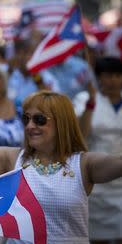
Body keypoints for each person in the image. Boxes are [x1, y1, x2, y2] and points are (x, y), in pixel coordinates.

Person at [0, 91, 122, 244]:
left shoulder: (83, 164)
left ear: (61, 123)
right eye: (26, 119)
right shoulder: (13, 159)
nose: (30, 126)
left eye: (39, 119)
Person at [73, 57, 122, 244]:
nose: (113, 81)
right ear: (98, 78)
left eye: (117, 75)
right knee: (95, 236)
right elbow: (80, 135)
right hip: (95, 176)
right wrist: (90, 104)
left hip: (121, 177)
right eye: (107, 75)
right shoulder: (84, 99)